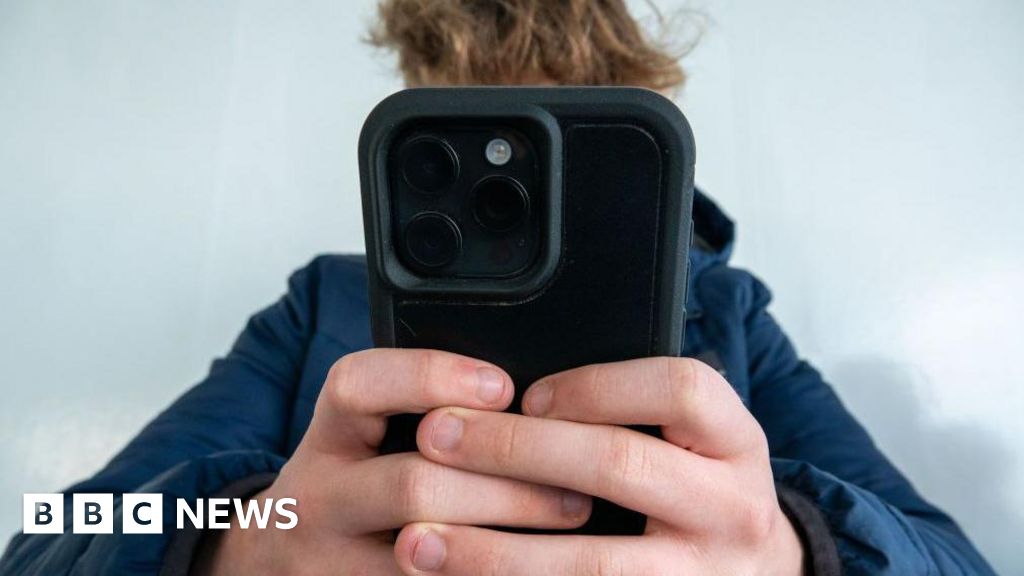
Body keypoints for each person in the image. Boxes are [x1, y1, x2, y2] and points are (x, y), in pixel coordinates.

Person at [0, 1, 995, 575]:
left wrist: (793, 549)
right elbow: (60, 532)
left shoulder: (733, 316)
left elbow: (959, 562)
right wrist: (243, 541)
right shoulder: (321, 305)